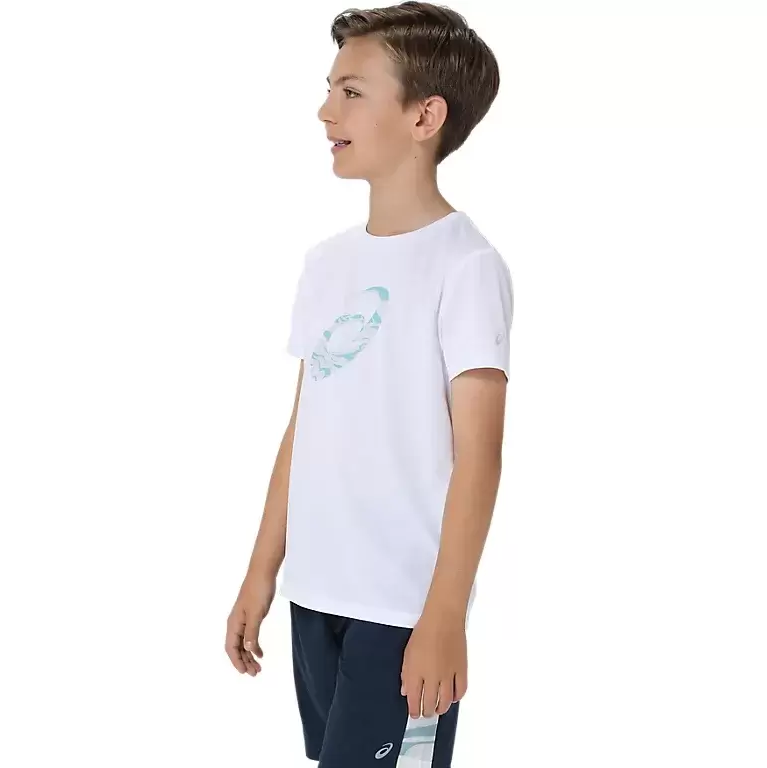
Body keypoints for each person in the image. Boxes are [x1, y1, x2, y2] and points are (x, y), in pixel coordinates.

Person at [225, 3, 513, 765]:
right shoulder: (327, 264)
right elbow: (305, 428)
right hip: (316, 594)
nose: (326, 112)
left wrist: (444, 614)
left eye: (351, 92)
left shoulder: (466, 266)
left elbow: (479, 456)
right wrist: (261, 573)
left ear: (425, 116)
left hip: (401, 608)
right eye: (329, 90)